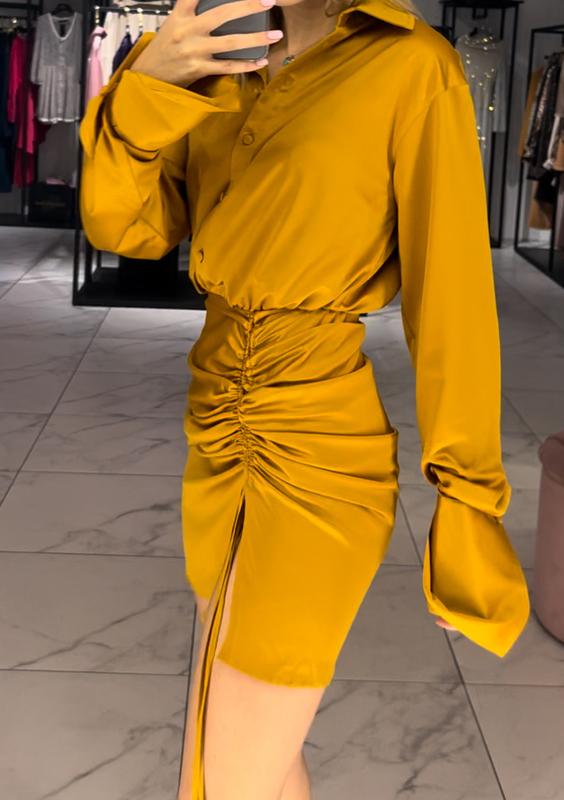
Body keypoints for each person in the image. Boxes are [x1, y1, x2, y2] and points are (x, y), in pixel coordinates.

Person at [78, 0, 530, 797]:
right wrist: (150, 85)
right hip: (215, 423)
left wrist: (466, 502)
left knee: (229, 775)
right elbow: (127, 229)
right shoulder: (210, 51)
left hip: (319, 443)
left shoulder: (410, 66)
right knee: (235, 753)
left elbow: (452, 300)